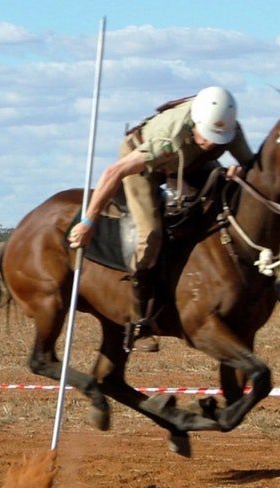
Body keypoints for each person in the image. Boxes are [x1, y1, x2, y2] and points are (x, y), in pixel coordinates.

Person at [67, 86, 253, 352]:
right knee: (151, 234)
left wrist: (240, 171)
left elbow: (253, 166)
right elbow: (113, 172)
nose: (214, 144)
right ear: (195, 125)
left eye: (219, 139)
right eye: (208, 137)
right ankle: (139, 319)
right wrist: (87, 222)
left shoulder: (228, 130)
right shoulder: (170, 138)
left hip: (190, 163)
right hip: (144, 165)